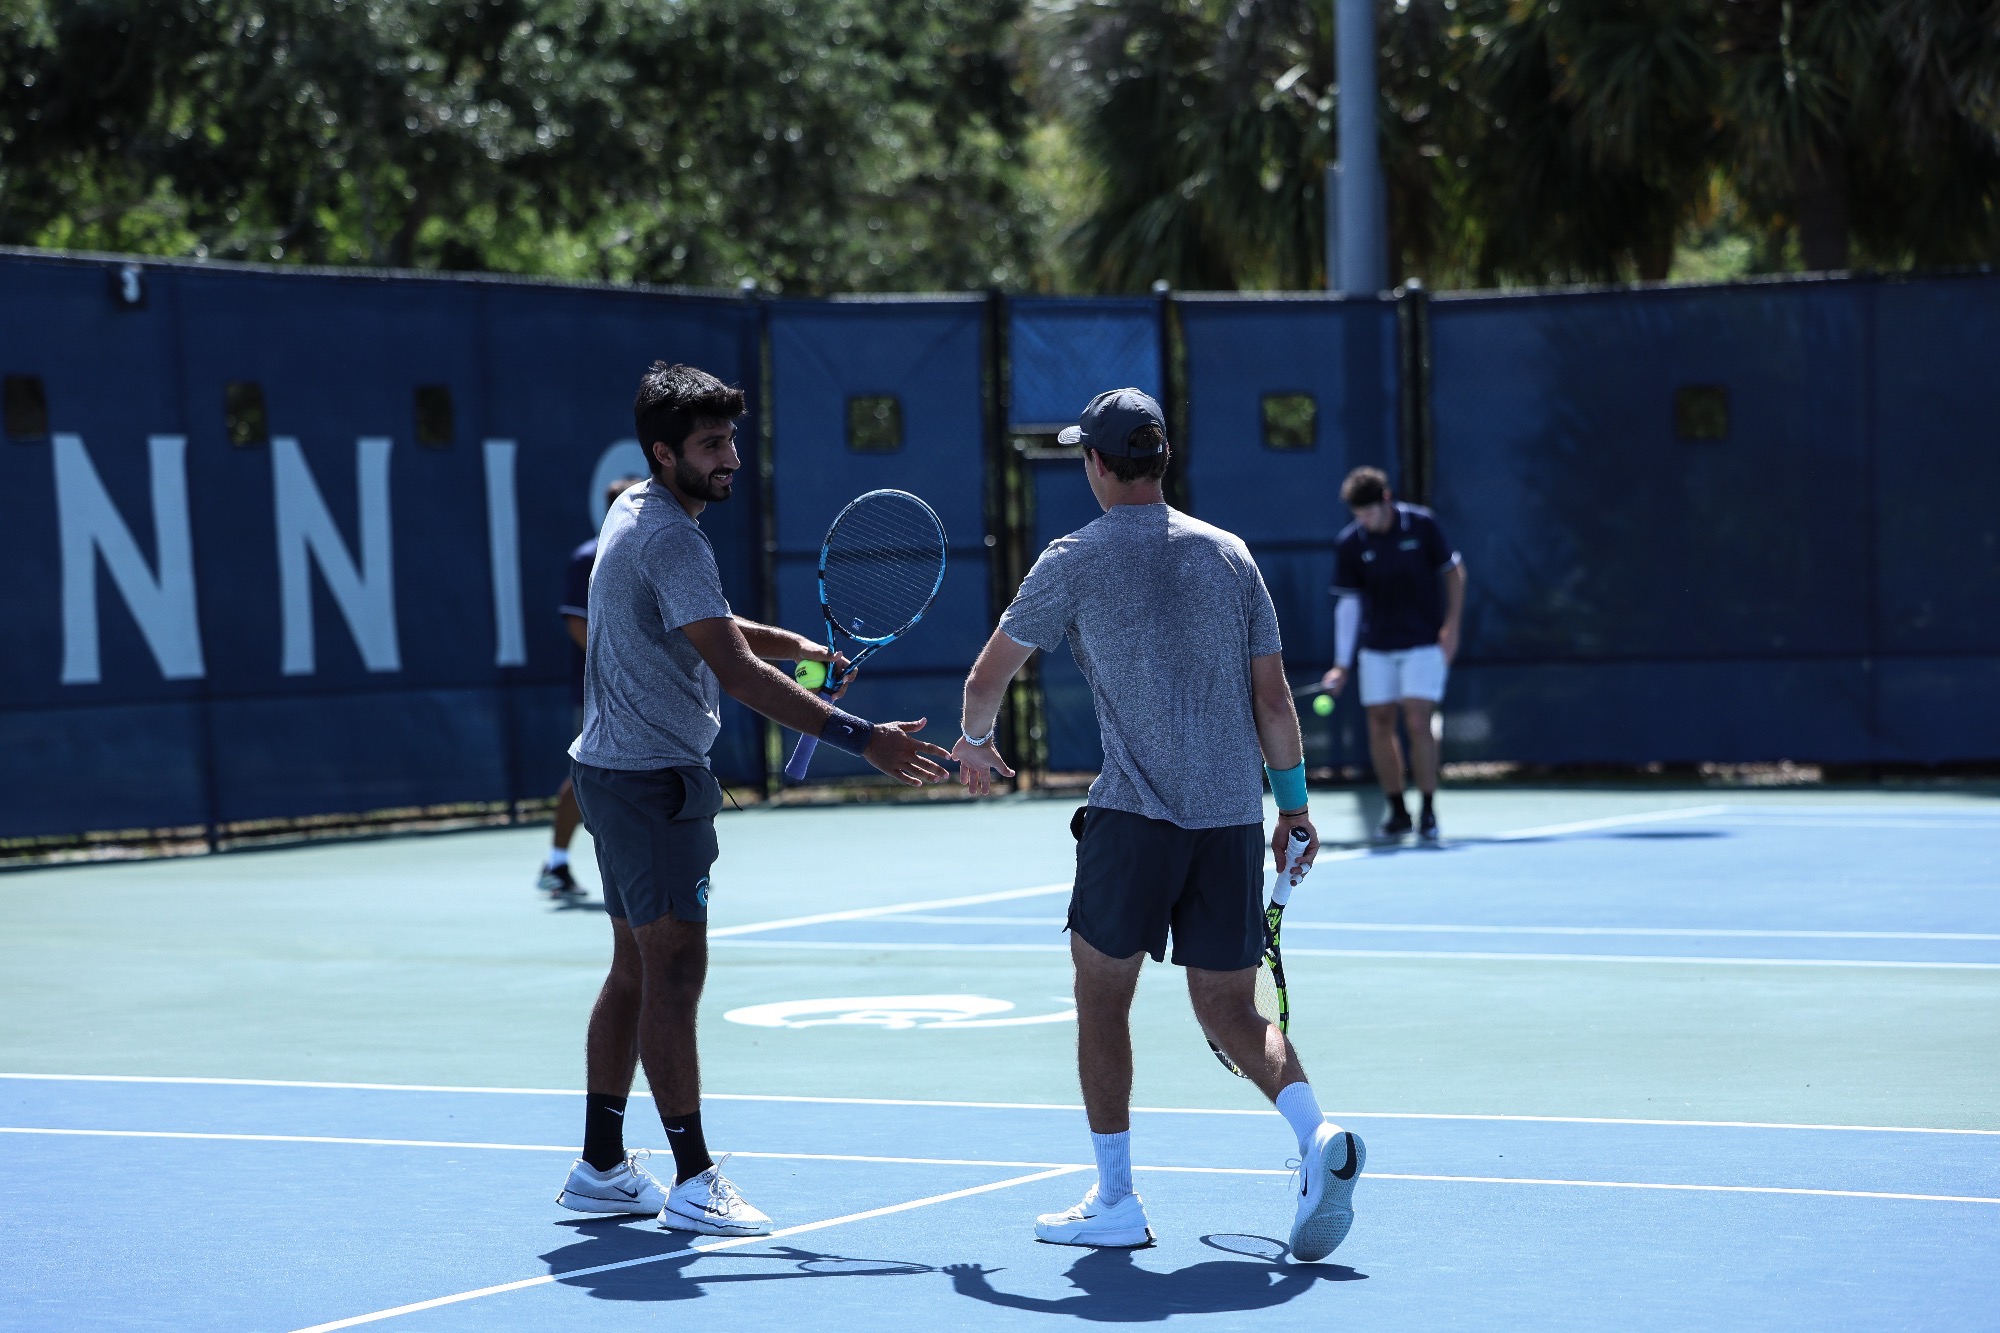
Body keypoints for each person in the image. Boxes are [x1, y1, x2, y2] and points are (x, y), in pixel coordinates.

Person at [950, 387, 1365, 1262]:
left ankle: (1116, 1196)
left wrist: (976, 745)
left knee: (1101, 996)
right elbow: (1275, 701)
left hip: (1131, 823)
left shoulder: (1070, 557)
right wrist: (1292, 808)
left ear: (1100, 465)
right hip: (1229, 826)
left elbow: (987, 679)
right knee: (1230, 1009)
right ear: (1160, 461)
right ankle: (1318, 1134)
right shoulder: (1232, 556)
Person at [554, 362, 952, 1232]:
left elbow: (714, 628)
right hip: (651, 781)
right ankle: (694, 1178)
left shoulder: (638, 510)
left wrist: (801, 644)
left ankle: (601, 1164)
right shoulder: (672, 535)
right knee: (674, 973)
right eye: (710, 444)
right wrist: (866, 739)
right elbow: (733, 670)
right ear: (664, 453)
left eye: (731, 438)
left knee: (635, 968)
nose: (729, 456)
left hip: (615, 773)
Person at [1318, 466, 1466, 843]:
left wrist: (1451, 628)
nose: (1364, 520)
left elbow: (1454, 572)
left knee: (1417, 721)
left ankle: (1428, 809)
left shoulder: (1423, 525)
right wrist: (1341, 664)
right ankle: (1398, 810)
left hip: (1422, 644)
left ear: (1386, 500)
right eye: (1358, 515)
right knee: (1380, 724)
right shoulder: (1351, 544)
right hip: (1376, 649)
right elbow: (1348, 606)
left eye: (1369, 512)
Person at [537, 475, 645, 901]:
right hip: (601, 691)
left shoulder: (648, 552)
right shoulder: (589, 556)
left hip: (642, 690)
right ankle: (556, 864)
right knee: (587, 776)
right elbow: (577, 624)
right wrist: (622, 664)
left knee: (636, 776)